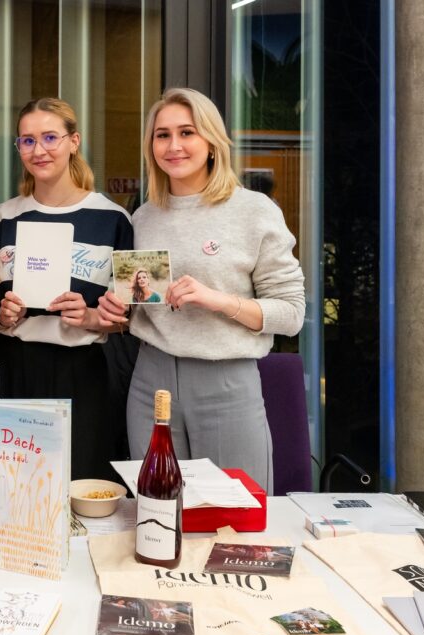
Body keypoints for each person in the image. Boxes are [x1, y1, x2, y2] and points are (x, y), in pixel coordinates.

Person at [98, 88, 305, 493]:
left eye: (187, 132)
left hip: (226, 382)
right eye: (162, 135)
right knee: (158, 511)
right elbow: (143, 304)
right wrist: (116, 311)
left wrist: (217, 300)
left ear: (211, 142)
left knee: (233, 511)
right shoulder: (143, 217)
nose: (173, 145)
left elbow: (292, 314)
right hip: (151, 382)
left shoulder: (253, 210)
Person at [0, 97, 133, 481]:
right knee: (11, 487)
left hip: (84, 373)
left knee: (82, 487)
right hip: (12, 366)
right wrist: (1, 317)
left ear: (73, 142)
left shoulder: (114, 220)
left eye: (50, 137)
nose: (39, 150)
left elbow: (130, 320)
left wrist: (91, 317)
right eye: (27, 140)